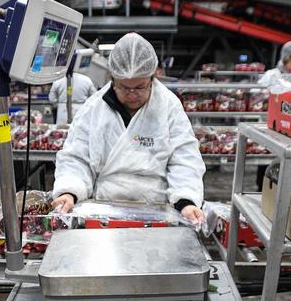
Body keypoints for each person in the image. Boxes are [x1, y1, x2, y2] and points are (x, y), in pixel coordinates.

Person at [50, 32, 205, 224]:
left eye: (140, 87)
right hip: (103, 210)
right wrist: (69, 191)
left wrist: (186, 201)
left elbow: (184, 158)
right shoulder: (94, 108)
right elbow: (76, 157)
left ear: (152, 78)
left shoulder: (168, 106)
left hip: (157, 211)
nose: (132, 95)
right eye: (124, 87)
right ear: (112, 80)